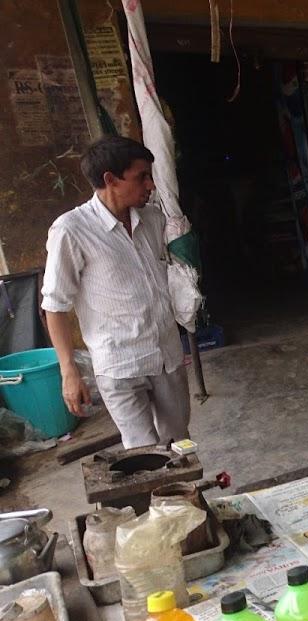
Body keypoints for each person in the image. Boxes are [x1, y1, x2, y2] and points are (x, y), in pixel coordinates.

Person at [42, 136, 190, 449]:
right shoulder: (71, 230)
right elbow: (54, 306)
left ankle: (181, 499)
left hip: (167, 355)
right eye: (141, 177)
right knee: (144, 453)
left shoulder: (152, 219)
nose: (150, 185)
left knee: (179, 445)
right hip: (120, 365)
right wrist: (69, 371)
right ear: (111, 179)